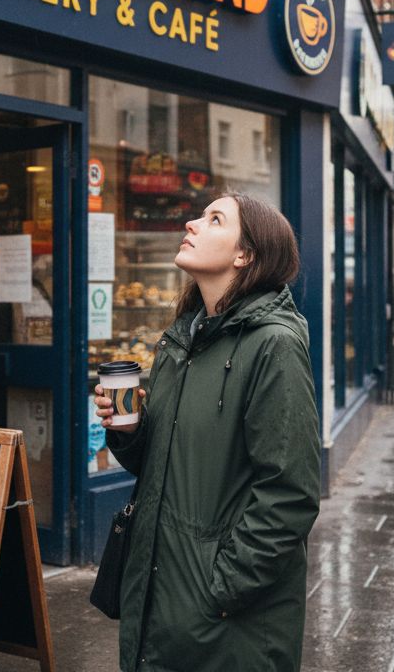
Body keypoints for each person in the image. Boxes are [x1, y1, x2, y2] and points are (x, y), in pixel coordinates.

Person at [94, 194, 321, 671]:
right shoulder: (184, 337)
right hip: (164, 591)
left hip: (222, 614)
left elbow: (290, 493)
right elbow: (163, 465)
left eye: (214, 219)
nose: (192, 223)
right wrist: (131, 431)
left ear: (245, 255)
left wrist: (222, 586)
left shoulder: (273, 345)